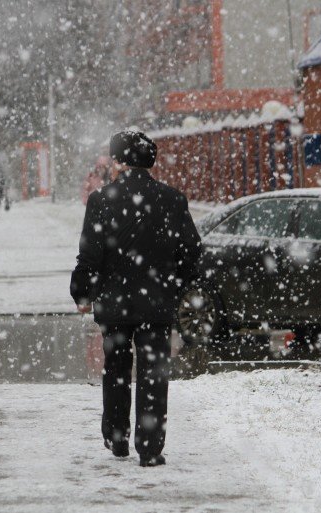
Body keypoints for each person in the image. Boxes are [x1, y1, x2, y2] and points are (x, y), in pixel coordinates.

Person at [70, 130, 203, 467]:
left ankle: (117, 438)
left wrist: (83, 291)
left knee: (115, 368)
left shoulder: (102, 200)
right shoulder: (172, 200)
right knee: (153, 373)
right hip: (156, 302)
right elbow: (192, 251)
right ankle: (150, 447)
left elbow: (89, 254)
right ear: (150, 160)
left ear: (118, 160)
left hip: (114, 304)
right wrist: (175, 285)